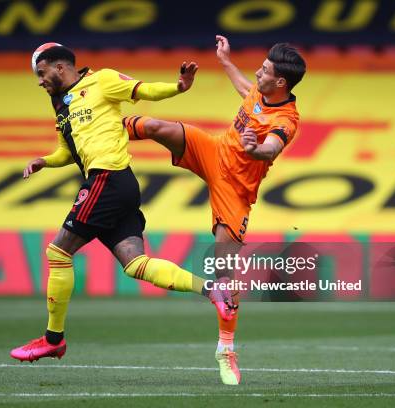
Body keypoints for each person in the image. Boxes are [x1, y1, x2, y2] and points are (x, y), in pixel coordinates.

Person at [10, 43, 236, 365]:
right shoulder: (60, 105)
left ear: (60, 68)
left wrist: (179, 87)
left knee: (58, 252)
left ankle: (52, 340)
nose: (39, 81)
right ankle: (212, 290)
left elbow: (142, 89)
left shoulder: (101, 81)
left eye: (42, 73)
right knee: (135, 264)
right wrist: (44, 161)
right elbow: (67, 151)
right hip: (118, 184)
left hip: (108, 178)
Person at [123, 35, 306, 385]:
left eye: (265, 70)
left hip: (235, 190)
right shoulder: (261, 90)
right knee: (153, 126)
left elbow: (270, 150)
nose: (258, 72)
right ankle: (95, 139)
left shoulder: (286, 119)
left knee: (224, 273)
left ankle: (226, 350)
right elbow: (244, 90)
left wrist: (254, 150)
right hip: (214, 151)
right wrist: (224, 61)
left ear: (281, 82)